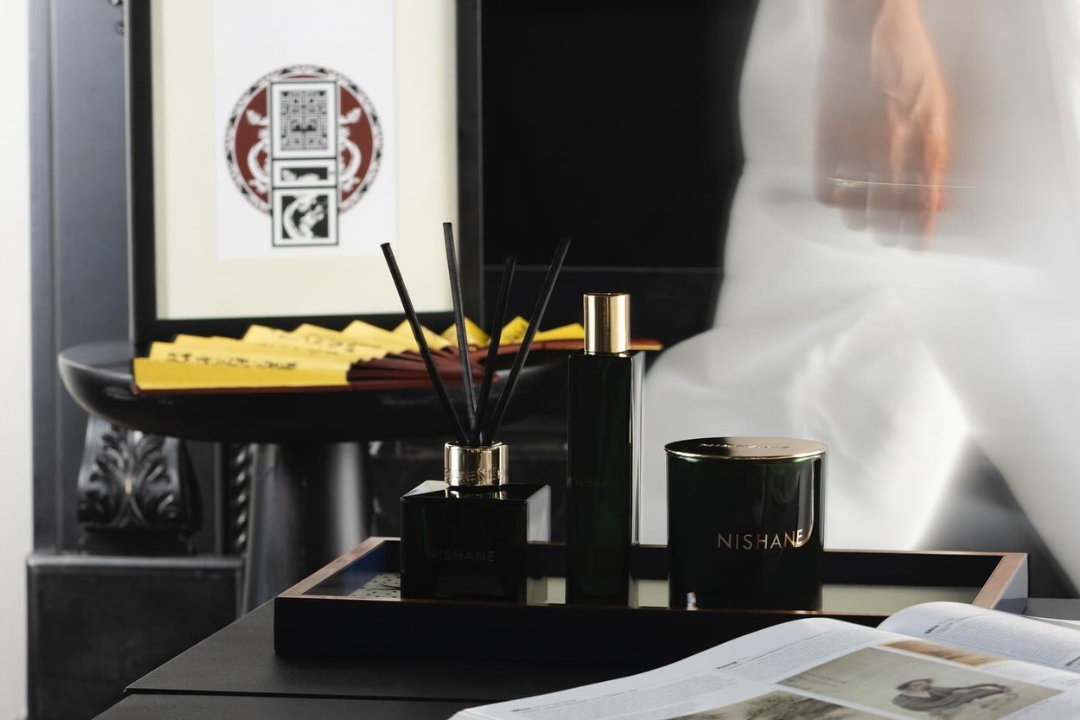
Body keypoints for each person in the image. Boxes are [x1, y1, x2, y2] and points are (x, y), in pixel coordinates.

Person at [642, 0, 1080, 590]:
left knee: (813, 404)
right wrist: (868, 25)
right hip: (955, 33)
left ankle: (683, 614)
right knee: (802, 400)